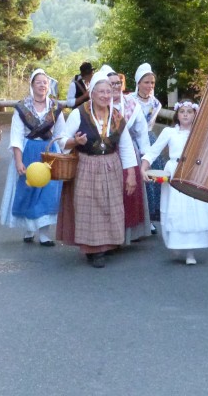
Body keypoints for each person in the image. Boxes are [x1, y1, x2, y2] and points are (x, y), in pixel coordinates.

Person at [56, 70, 138, 268]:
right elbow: (61, 142)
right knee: (89, 208)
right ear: (92, 93)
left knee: (111, 206)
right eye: (100, 92)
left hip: (111, 165)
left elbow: (126, 146)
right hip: (87, 165)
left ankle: (107, 244)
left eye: (108, 92)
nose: (105, 96)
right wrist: (75, 141)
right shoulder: (79, 113)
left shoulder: (117, 117)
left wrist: (131, 175)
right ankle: (93, 250)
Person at [142, 101, 208, 264]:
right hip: (174, 172)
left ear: (195, 114)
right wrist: (144, 167)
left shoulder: (200, 134)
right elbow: (154, 151)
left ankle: (191, 252)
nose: (185, 114)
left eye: (189, 111)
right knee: (175, 208)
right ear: (177, 114)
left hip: (193, 173)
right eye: (182, 111)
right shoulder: (169, 132)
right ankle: (175, 242)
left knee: (192, 209)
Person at [0, 70, 65, 246]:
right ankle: (29, 228)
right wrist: (19, 160)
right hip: (29, 151)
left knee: (48, 192)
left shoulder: (55, 108)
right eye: (39, 82)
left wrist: (65, 154)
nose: (43, 85)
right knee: (29, 190)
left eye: (45, 82)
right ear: (32, 85)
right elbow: (16, 136)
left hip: (49, 153)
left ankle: (44, 232)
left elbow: (61, 135)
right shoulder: (22, 108)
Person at [107, 66, 150, 243]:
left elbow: (141, 132)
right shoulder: (100, 104)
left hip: (129, 151)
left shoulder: (132, 105)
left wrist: (146, 158)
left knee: (129, 191)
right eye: (112, 84)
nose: (116, 87)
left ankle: (128, 232)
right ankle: (109, 233)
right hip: (107, 151)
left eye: (118, 83)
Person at [132, 62, 163, 234]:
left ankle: (150, 217)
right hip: (132, 140)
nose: (150, 86)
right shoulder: (129, 100)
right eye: (146, 82)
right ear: (138, 82)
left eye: (152, 83)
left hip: (149, 140)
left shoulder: (156, 104)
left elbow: (148, 125)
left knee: (151, 178)